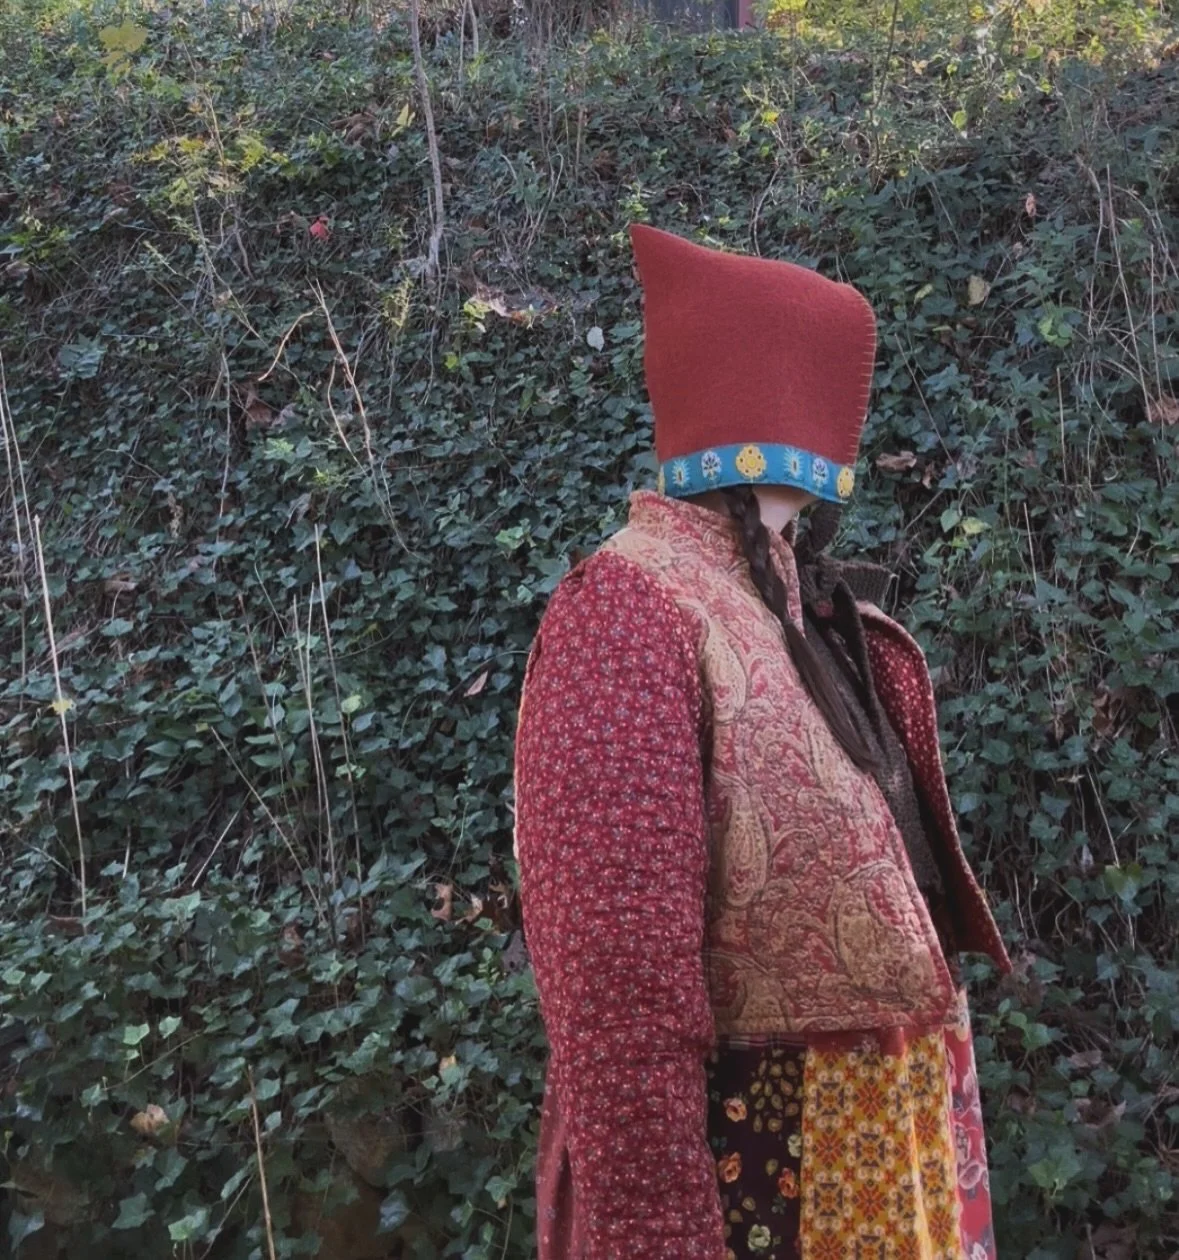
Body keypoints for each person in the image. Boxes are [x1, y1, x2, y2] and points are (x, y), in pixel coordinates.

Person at [512, 224, 1011, 1260]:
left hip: (864, 1160)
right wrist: (659, 1234)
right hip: (771, 1172)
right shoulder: (632, 613)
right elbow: (616, 989)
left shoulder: (778, 600)